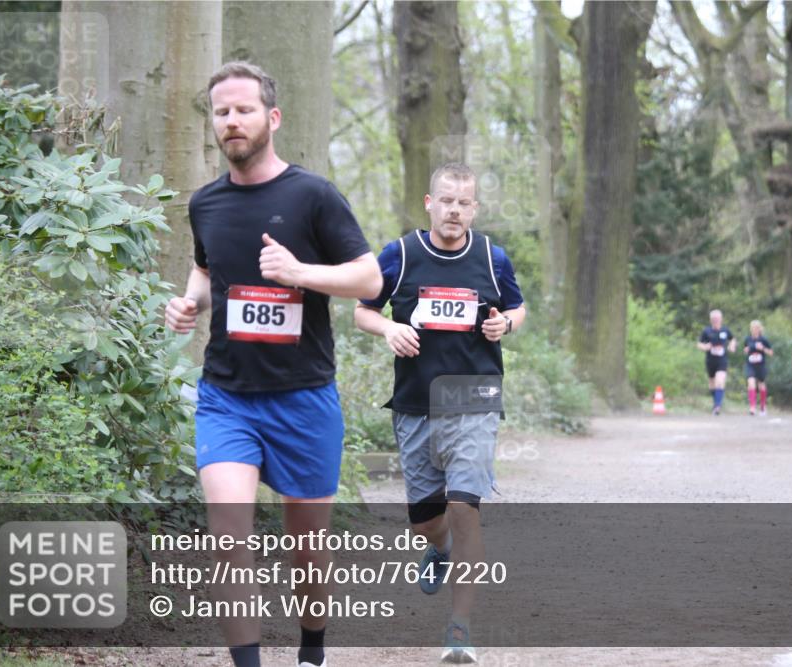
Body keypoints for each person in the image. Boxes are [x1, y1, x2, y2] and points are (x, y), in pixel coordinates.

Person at [164, 61, 382, 667]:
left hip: (304, 397)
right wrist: (189, 302)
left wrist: (299, 273)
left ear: (272, 117)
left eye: (244, 110)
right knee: (228, 539)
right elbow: (208, 270)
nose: (232, 121)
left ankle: (312, 653)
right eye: (222, 112)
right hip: (226, 396)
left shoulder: (312, 195)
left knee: (308, 550)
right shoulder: (204, 202)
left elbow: (369, 276)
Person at [354, 162, 526, 663]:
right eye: (445, 200)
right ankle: (440, 549)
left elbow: (517, 307)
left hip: (474, 398)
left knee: (465, 507)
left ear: (475, 207)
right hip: (415, 403)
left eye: (463, 202)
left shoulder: (492, 258)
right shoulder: (400, 255)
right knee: (427, 519)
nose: (454, 210)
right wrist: (387, 329)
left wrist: (506, 326)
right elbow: (362, 310)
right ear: (429, 203)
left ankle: (460, 628)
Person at [697, 309, 737, 415]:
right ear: (710, 320)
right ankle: (715, 403)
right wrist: (705, 346)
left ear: (721, 319)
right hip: (710, 360)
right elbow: (699, 344)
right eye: (713, 319)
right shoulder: (706, 331)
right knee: (712, 383)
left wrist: (732, 345)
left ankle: (717, 406)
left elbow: (732, 339)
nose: (715, 321)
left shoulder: (725, 330)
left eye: (717, 319)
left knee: (720, 381)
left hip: (722, 360)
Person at [742, 320, 774, 416]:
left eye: (756, 328)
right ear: (750, 329)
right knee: (751, 383)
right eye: (753, 328)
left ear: (760, 329)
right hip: (750, 365)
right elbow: (745, 350)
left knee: (761, 385)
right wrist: (746, 350)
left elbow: (771, 353)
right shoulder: (747, 339)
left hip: (760, 365)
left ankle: (763, 406)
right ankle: (752, 407)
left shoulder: (764, 340)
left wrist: (763, 349)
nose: (755, 330)